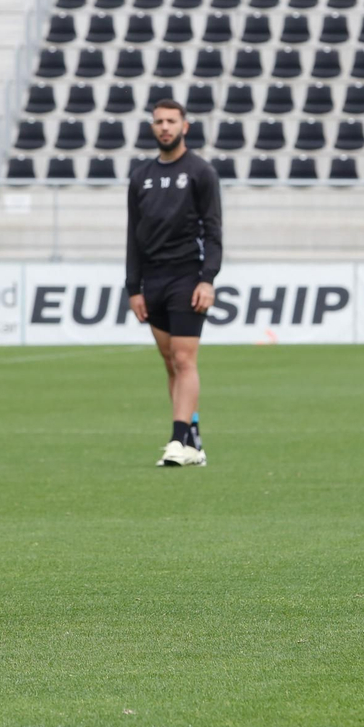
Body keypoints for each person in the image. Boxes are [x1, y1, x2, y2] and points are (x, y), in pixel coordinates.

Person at [125, 99, 222, 467]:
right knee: (170, 362)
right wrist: (133, 287)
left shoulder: (201, 172)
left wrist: (207, 279)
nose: (164, 126)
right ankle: (193, 439)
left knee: (184, 359)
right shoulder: (141, 176)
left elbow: (213, 230)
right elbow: (133, 236)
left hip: (188, 276)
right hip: (153, 280)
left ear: (185, 126)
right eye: (159, 121)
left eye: (171, 121)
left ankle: (178, 440)